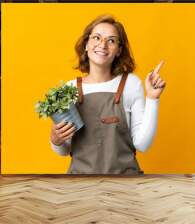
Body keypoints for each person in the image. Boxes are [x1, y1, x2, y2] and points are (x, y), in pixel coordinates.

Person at [49, 14, 166, 175]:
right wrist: (56, 140)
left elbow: (142, 144)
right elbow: (64, 150)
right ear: (86, 44)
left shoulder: (131, 84)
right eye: (96, 38)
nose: (102, 45)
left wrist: (153, 99)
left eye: (111, 40)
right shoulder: (69, 89)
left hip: (124, 184)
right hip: (80, 184)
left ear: (119, 50)